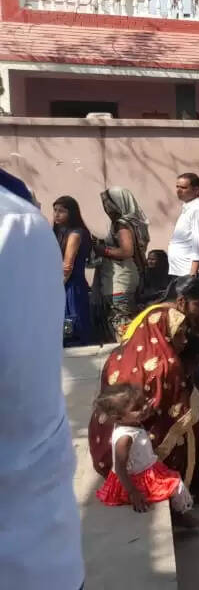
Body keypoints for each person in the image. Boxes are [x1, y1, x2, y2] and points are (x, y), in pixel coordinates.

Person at [89, 275, 199, 500]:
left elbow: (191, 349)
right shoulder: (164, 362)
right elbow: (172, 382)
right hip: (138, 405)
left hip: (138, 392)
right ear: (182, 301)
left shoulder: (164, 320)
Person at [1, 179, 84, 590]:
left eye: (61, 210)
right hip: (41, 549)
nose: (56, 215)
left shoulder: (14, 225)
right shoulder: (21, 225)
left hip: (28, 551)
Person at [93, 384, 198, 527]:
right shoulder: (125, 438)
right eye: (136, 408)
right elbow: (120, 468)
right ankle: (179, 515)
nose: (144, 408)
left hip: (147, 470)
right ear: (119, 417)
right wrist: (133, 492)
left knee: (173, 479)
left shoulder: (131, 423)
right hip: (138, 480)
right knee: (175, 484)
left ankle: (177, 512)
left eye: (143, 404)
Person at [96, 187, 151, 341]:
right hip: (130, 276)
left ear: (119, 203)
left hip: (119, 280)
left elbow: (126, 251)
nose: (107, 208)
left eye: (109, 204)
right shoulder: (136, 222)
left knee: (122, 326)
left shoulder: (122, 224)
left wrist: (102, 250)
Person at [52, 195, 94, 346]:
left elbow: (67, 267)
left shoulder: (75, 233)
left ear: (72, 213)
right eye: (55, 210)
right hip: (63, 284)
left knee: (72, 324)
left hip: (71, 285)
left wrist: (55, 288)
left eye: (61, 211)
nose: (56, 214)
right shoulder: (59, 232)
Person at [168, 173, 199, 283]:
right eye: (177, 187)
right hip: (181, 271)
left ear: (196, 190)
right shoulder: (188, 207)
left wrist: (192, 275)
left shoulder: (198, 209)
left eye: (183, 187)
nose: (178, 190)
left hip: (191, 273)